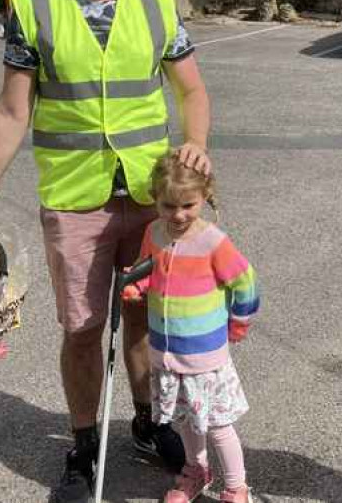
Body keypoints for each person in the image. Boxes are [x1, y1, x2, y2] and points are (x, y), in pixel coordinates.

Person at [0, 0, 211, 503]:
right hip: (75, 198)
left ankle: (147, 423)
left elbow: (192, 91)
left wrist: (197, 143)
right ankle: (85, 441)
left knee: (145, 317)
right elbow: (13, 112)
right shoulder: (34, 10)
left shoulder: (157, 5)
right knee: (83, 328)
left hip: (151, 196)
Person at [126, 151, 259, 503]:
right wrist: (136, 285)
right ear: (156, 200)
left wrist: (240, 321)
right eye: (169, 206)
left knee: (217, 425)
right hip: (167, 352)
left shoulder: (213, 241)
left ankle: (236, 487)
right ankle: (196, 470)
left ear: (204, 196)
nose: (179, 215)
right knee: (184, 419)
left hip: (204, 356)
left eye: (188, 205)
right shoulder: (153, 232)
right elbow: (146, 268)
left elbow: (245, 281)